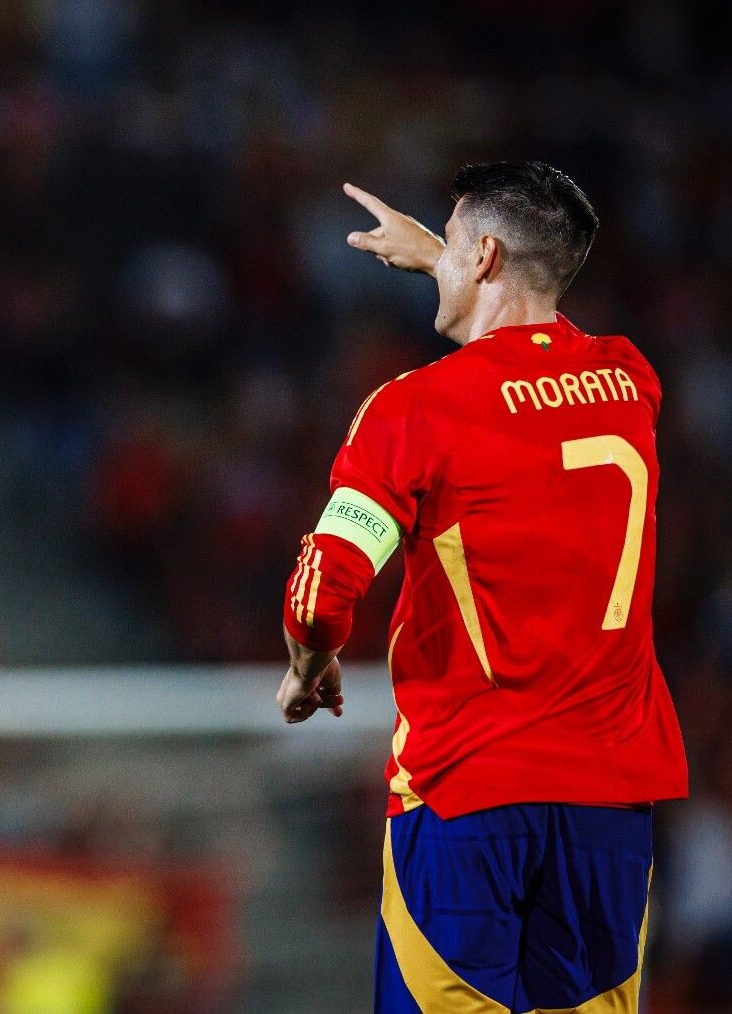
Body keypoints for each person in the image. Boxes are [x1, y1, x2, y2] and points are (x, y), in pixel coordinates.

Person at [276, 162, 687, 1012]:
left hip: (468, 791)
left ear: (487, 255)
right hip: (610, 801)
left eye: (457, 242)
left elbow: (325, 587)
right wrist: (443, 258)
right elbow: (535, 361)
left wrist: (310, 659)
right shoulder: (630, 383)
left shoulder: (416, 411)